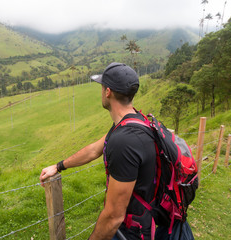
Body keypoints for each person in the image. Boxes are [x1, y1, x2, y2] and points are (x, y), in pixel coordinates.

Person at [39, 63, 156, 240]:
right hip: (144, 218)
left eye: (102, 88)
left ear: (107, 92)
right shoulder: (133, 120)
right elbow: (95, 149)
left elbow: (113, 216)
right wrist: (58, 166)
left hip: (133, 231)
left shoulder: (125, 141)